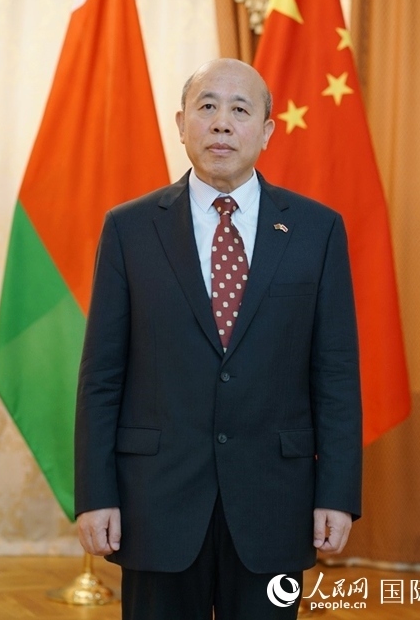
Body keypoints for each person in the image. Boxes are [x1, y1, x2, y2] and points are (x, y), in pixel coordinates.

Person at [75, 58, 362, 620]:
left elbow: (336, 375)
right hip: (155, 502)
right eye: (207, 106)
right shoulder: (129, 229)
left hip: (274, 501)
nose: (222, 122)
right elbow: (101, 377)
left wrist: (337, 493)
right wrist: (96, 495)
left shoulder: (317, 230)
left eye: (240, 109)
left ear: (267, 130)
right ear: (181, 124)